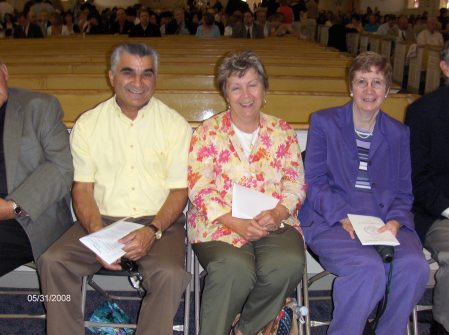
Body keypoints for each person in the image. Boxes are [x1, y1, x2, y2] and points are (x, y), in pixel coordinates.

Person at [37, 43, 192, 335]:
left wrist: (153, 230)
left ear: (155, 78)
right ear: (111, 76)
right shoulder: (89, 124)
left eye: (147, 74)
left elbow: (178, 192)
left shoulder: (175, 126)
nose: (138, 82)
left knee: (169, 274)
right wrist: (98, 237)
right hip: (100, 220)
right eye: (128, 72)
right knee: (53, 261)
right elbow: (82, 189)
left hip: (158, 222)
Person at [298, 51, 429, 335]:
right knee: (367, 269)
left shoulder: (398, 133)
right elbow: (314, 181)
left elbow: (404, 192)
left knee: (415, 267)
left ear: (387, 90)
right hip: (331, 217)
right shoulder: (324, 122)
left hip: (383, 220)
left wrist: (395, 221)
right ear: (350, 86)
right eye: (361, 81)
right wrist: (343, 216)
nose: (369, 90)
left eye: (377, 82)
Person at [188, 50, 306, 335]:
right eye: (236, 87)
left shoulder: (283, 131)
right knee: (234, 270)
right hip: (219, 226)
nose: (246, 95)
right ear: (225, 94)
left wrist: (278, 213)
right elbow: (199, 187)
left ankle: (246, 329)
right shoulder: (207, 132)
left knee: (288, 263)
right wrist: (236, 223)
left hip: (274, 223)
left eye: (252, 85)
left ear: (264, 88)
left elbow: (296, 184)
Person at [0, 59, 73, 277]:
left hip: (29, 219)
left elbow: (62, 168)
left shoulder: (40, 107)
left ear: (4, 71)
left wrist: (14, 208)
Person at [405, 41, 449, 335]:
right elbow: (416, 178)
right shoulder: (423, 111)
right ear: (445, 67)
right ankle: (442, 326)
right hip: (436, 211)